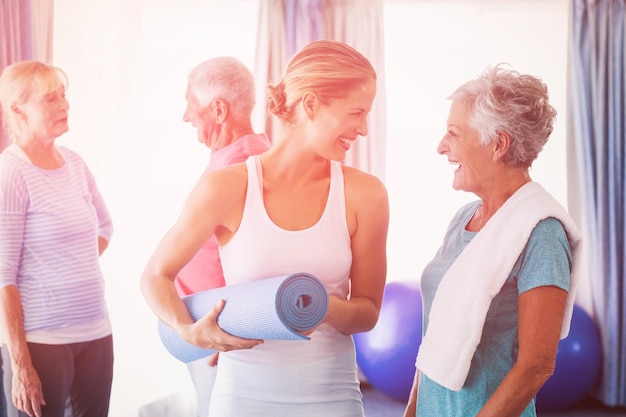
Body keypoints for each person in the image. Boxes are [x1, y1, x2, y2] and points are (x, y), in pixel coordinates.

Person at [140, 39, 389, 417]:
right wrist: (188, 329)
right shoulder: (227, 187)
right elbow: (155, 275)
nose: (364, 129)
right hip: (241, 398)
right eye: (357, 113)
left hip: (331, 396)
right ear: (310, 104)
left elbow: (368, 311)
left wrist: (321, 307)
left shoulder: (365, 194)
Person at [403, 64, 582, 417]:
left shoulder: (541, 232)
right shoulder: (463, 219)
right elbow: (435, 337)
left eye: (454, 133)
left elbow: (537, 365)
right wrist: (413, 410)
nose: (441, 146)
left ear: (498, 144)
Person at [0, 61, 114, 417]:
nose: (64, 105)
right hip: (41, 341)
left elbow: (105, 228)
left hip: (96, 331)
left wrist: (67, 267)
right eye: (50, 99)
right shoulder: (11, 172)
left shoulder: (75, 163)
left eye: (63, 95)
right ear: (19, 108)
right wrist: (21, 363)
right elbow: (3, 275)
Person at [174, 56, 271, 417]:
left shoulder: (242, 164)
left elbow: (261, 260)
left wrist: (229, 324)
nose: (186, 116)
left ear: (218, 109)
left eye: (190, 104)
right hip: (206, 329)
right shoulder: (233, 155)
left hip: (221, 334)